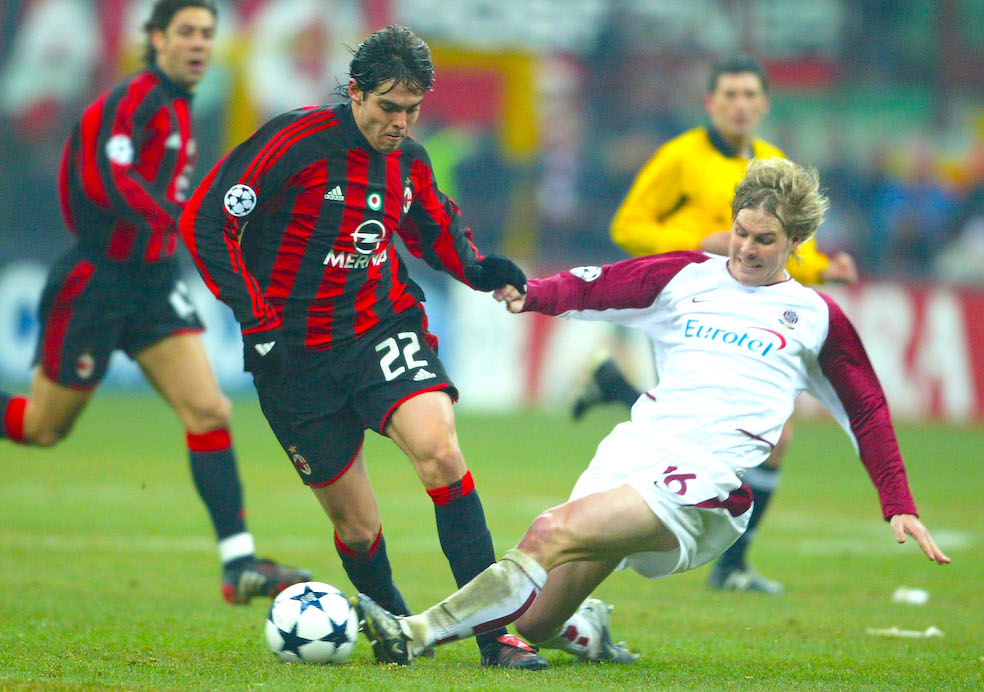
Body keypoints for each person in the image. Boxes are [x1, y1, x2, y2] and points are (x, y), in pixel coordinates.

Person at [352, 157, 951, 666]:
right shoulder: (687, 276)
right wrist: (530, 294)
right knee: (533, 623)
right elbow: (598, 285)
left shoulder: (816, 317)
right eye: (741, 231)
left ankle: (412, 633)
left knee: (549, 531)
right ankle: (588, 632)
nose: (746, 248)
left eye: (765, 240)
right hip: (637, 452)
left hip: (704, 483)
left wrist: (897, 501)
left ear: (796, 242)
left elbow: (867, 409)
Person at [178, 25, 547, 669]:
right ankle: (395, 629)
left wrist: (481, 269)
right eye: (388, 107)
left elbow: (434, 227)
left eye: (412, 110)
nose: (400, 123)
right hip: (292, 358)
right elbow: (208, 221)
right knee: (356, 526)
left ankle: (495, 636)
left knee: (440, 452)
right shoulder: (294, 142)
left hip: (380, 328)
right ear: (354, 92)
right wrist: (255, 318)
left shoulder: (409, 162)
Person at [0, 0, 311, 605]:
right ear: (155, 38)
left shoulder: (179, 106)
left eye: (207, 34)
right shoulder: (134, 100)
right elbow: (106, 180)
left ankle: (239, 565)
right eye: (186, 32)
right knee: (43, 427)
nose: (199, 44)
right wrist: (179, 215)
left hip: (152, 282)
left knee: (209, 411)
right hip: (97, 279)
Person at [573, 55, 860, 594]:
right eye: (729, 94)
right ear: (710, 102)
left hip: (755, 311)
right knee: (692, 428)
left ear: (764, 103)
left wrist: (825, 269)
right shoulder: (679, 157)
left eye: (749, 94)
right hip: (694, 305)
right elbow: (628, 226)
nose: (740, 105)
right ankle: (632, 541)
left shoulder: (774, 164)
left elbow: (790, 247)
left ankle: (731, 564)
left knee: (774, 437)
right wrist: (696, 244)